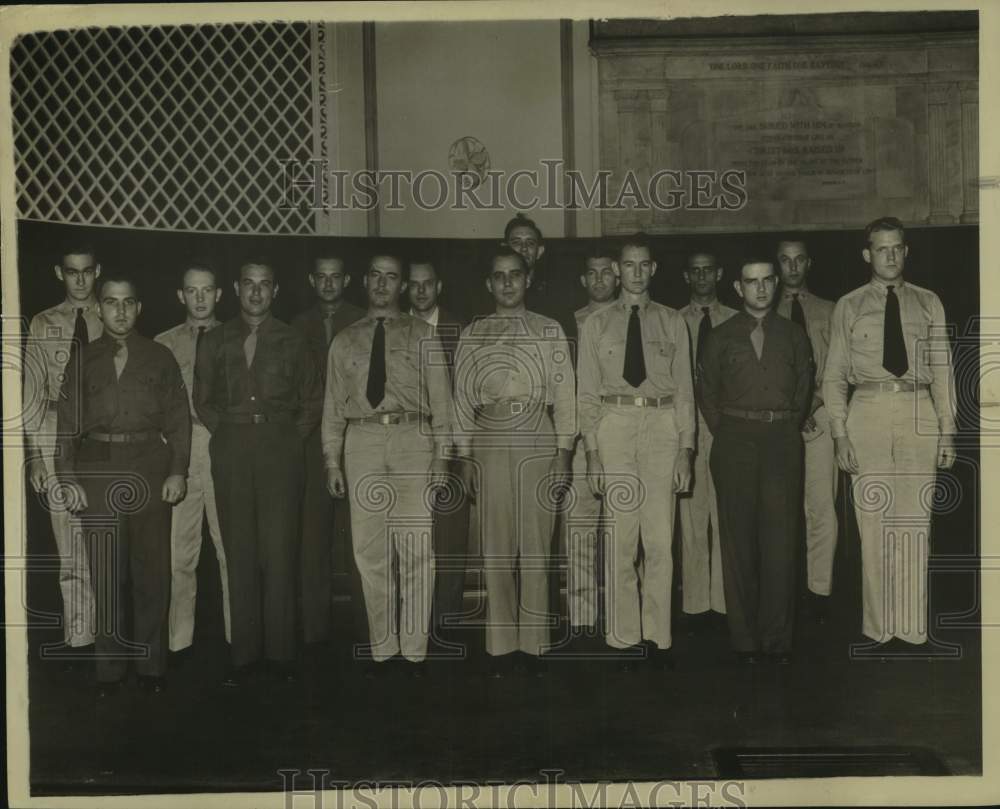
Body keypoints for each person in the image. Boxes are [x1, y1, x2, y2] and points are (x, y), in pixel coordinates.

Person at [822, 217, 956, 649]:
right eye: (882, 249)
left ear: (906, 251)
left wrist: (948, 431)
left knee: (916, 521)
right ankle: (879, 628)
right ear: (867, 255)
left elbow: (943, 371)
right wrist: (840, 434)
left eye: (897, 248)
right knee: (873, 521)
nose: (891, 256)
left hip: (918, 409)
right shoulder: (849, 305)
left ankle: (913, 627)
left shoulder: (928, 302)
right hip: (869, 411)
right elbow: (834, 375)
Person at [55, 273, 190, 696]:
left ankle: (152, 668)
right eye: (111, 302)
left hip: (150, 464)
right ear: (99, 308)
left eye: (128, 302)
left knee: (152, 572)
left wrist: (177, 470)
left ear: (139, 308)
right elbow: (66, 425)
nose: (120, 310)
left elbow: (179, 421)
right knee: (107, 573)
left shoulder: (160, 356)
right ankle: (110, 671)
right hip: (98, 466)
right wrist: (68, 475)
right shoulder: (82, 360)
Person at [322, 253, 453, 676]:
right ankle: (382, 648)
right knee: (369, 552)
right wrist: (331, 460)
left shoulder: (422, 335)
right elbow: (332, 408)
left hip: (412, 439)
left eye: (391, 277)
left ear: (402, 286)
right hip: (361, 441)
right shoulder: (344, 340)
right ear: (364, 281)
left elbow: (443, 404)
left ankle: (414, 651)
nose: (382, 284)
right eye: (375, 275)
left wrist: (441, 456)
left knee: (416, 549)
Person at [194, 258, 321, 686]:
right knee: (240, 550)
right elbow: (204, 400)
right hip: (231, 447)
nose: (256, 292)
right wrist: (230, 436)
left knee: (280, 551)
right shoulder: (215, 340)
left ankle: (282, 657)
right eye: (248, 283)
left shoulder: (294, 339)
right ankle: (245, 657)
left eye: (265, 284)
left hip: (281, 449)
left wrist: (285, 440)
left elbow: (311, 401)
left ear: (276, 291)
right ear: (235, 288)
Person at [454, 246, 575, 677]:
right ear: (489, 283)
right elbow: (462, 400)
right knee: (497, 545)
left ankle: (537, 642)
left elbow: (564, 398)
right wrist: (465, 455)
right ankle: (502, 646)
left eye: (515, 275)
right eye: (499, 276)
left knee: (537, 544)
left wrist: (563, 454)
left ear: (528, 279)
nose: (507, 283)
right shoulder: (474, 333)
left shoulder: (549, 330)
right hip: (488, 436)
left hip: (537, 435)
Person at [577, 234, 695, 671]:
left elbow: (685, 392)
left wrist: (686, 449)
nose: (636, 272)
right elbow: (586, 393)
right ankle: (624, 634)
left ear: (654, 269)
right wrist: (591, 452)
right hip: (615, 426)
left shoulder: (671, 321)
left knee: (660, 537)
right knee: (621, 537)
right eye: (628, 265)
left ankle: (657, 634)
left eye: (644, 265)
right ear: (616, 271)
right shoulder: (596, 325)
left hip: (663, 426)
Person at [699, 258, 812, 664]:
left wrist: (781, 426)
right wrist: (731, 432)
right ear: (737, 286)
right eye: (751, 281)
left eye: (767, 281)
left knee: (781, 542)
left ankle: (777, 641)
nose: (760, 289)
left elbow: (803, 388)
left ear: (777, 284)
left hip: (782, 440)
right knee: (738, 543)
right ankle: (745, 642)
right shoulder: (720, 336)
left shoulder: (794, 335)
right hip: (734, 441)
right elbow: (707, 394)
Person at [22, 243, 102, 660]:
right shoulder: (43, 322)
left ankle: (110, 635)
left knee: (108, 535)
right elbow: (33, 393)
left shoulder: (112, 316)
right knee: (68, 539)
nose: (81, 279)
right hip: (57, 429)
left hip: (103, 434)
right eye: (73, 272)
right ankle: (80, 636)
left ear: (97, 271)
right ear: (60, 273)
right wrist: (36, 454)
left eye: (87, 271)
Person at [155, 260, 231, 658]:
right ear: (181, 295)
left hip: (224, 448)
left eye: (207, 290)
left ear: (219, 294)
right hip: (180, 450)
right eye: (192, 291)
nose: (200, 298)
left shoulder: (237, 338)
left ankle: (239, 642)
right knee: (179, 553)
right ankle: (178, 643)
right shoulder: (163, 344)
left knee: (229, 549)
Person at [290, 252, 364, 648]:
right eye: (322, 277)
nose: (329, 284)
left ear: (347, 280)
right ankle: (315, 633)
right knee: (312, 541)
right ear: (311, 280)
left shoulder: (363, 322)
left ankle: (363, 628)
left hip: (357, 440)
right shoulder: (296, 327)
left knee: (360, 539)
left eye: (336, 277)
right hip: (309, 444)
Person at [774, 239, 838, 622]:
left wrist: (811, 404)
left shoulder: (831, 311)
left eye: (799, 259)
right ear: (777, 265)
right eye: (785, 260)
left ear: (809, 263)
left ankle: (820, 590)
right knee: (781, 508)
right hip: (780, 421)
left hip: (821, 416)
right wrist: (791, 411)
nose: (792, 267)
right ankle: (785, 589)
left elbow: (837, 366)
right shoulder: (766, 311)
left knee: (821, 506)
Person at [407, 259, 470, 643]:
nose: (420, 291)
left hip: (453, 443)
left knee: (449, 533)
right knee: (413, 533)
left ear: (439, 286)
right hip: (409, 443)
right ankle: (413, 617)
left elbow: (465, 394)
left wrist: (459, 452)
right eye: (413, 285)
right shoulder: (396, 328)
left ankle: (445, 618)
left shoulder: (459, 329)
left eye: (427, 283)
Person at [677, 251, 737, 629]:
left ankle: (724, 600)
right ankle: (697, 603)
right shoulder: (673, 320)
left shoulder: (735, 320)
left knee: (726, 510)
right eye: (694, 270)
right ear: (687, 276)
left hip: (726, 424)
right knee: (691, 514)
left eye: (708, 270)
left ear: (719, 273)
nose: (702, 277)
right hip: (685, 423)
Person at [562, 244, 618, 638]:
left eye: (606, 272)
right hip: (582, 442)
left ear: (617, 276)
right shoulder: (569, 325)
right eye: (592, 273)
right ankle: (582, 621)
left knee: (623, 532)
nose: (599, 280)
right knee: (580, 531)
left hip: (622, 435)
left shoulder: (633, 319)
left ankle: (622, 615)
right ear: (583, 280)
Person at [504, 213, 577, 339]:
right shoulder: (492, 293)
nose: (524, 249)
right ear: (504, 249)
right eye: (516, 243)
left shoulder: (556, 297)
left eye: (530, 243)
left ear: (540, 252)